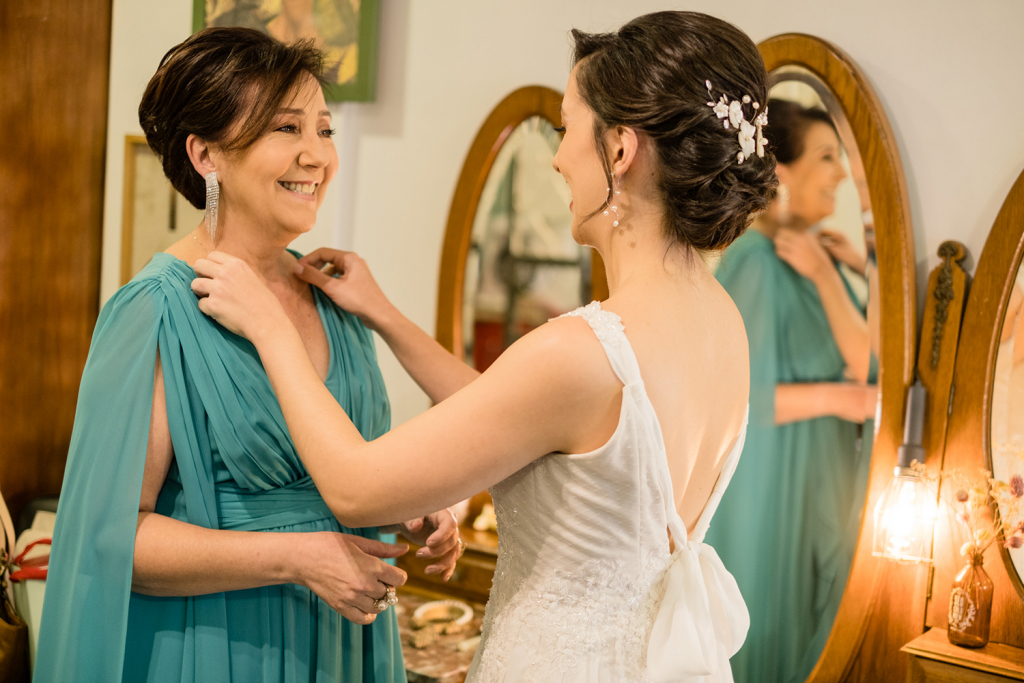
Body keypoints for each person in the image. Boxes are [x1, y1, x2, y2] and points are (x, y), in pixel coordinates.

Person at [191, 12, 777, 681]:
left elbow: (355, 487)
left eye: (567, 127)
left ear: (620, 150)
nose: (558, 156)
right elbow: (529, 418)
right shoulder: (720, 321)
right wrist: (385, 316)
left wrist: (269, 325)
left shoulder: (584, 350)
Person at [34, 28, 462, 683]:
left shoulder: (334, 295)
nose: (315, 154)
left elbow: (346, 468)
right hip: (222, 648)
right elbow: (114, 537)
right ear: (206, 154)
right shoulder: (154, 309)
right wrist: (296, 556)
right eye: (286, 129)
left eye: (324, 130)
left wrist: (403, 504)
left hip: (347, 644)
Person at [702, 99, 878, 683]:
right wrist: (840, 400)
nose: (840, 174)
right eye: (827, 157)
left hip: (817, 481)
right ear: (781, 171)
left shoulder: (813, 261)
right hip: (774, 486)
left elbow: (870, 359)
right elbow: (733, 399)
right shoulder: (758, 261)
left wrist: (861, 272)